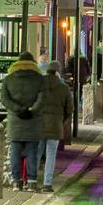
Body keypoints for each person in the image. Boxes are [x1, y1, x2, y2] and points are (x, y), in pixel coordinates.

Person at [1, 50, 44, 190]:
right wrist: (31, 110)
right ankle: (31, 181)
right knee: (32, 151)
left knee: (15, 151)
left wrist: (17, 109)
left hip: (15, 121)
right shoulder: (39, 79)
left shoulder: (9, 79)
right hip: (33, 121)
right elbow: (42, 99)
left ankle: (16, 181)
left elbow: (4, 99)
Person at [33, 60, 73, 192]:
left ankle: (32, 182)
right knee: (51, 155)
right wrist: (63, 120)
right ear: (57, 72)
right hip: (56, 126)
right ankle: (47, 184)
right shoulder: (64, 88)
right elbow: (69, 109)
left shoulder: (38, 83)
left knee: (36, 153)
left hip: (39, 124)